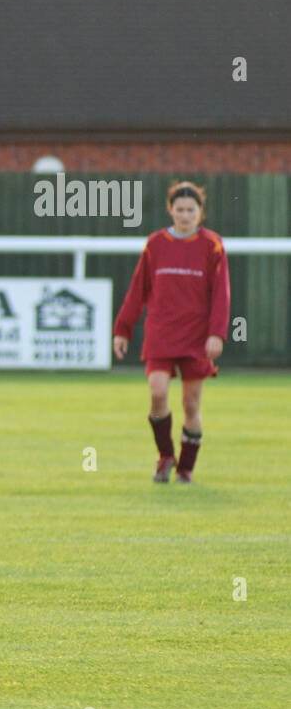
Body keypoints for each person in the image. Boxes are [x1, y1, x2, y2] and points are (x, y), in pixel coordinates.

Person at [113, 181, 230, 483]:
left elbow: (221, 293)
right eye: (179, 209)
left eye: (191, 210)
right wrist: (122, 329)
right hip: (161, 332)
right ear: (170, 210)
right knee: (158, 392)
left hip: (196, 335)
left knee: (191, 405)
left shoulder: (213, 245)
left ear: (200, 212)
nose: (185, 215)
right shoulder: (155, 244)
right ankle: (165, 456)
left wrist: (217, 333)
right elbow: (138, 290)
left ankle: (186, 469)